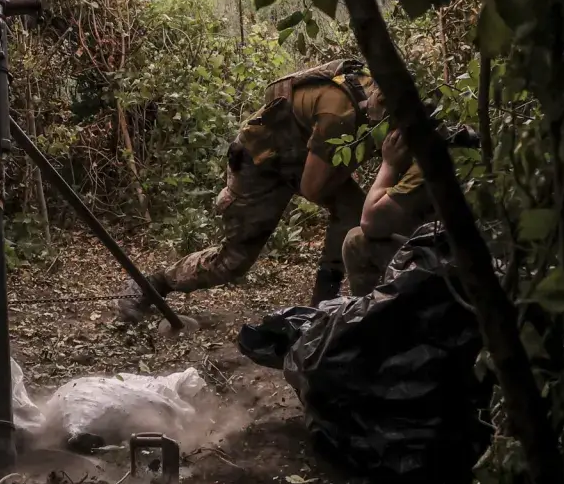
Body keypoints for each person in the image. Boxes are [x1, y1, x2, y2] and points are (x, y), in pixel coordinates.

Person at [118, 58, 385, 320]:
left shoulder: (382, 106)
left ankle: (321, 306)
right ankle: (152, 284)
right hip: (259, 161)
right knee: (232, 261)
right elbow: (312, 188)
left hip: (299, 158)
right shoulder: (340, 114)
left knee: (352, 211)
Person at [342, 122, 480, 296]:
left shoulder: (432, 159)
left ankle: (371, 319)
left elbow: (370, 221)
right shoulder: (461, 144)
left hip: (458, 266)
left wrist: (389, 165)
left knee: (356, 241)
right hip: (475, 254)